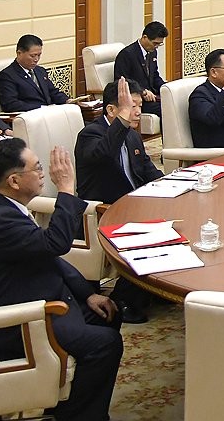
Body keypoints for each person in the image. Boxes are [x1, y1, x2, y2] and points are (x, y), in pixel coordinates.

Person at [0, 138, 123, 421]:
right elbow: (56, 244)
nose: (43, 173)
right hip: (13, 325)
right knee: (105, 343)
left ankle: (69, 408)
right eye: (36, 168)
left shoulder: (8, 207)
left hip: (42, 302)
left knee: (109, 313)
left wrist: (88, 294)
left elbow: (47, 256)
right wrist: (65, 189)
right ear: (14, 181)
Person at [74, 76, 161, 324]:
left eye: (139, 107)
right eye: (131, 106)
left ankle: (154, 287)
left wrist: (173, 185)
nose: (137, 112)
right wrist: (121, 123)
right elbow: (103, 154)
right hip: (105, 210)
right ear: (112, 109)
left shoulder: (132, 135)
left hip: (135, 204)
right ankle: (123, 300)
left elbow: (146, 169)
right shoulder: (90, 135)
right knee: (153, 233)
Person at [0, 34, 71, 112]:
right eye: (33, 56)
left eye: (39, 55)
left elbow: (53, 92)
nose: (36, 59)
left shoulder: (40, 71)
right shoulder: (7, 75)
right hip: (31, 117)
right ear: (19, 53)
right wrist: (41, 108)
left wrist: (68, 101)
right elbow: (11, 104)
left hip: (49, 114)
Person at [113, 21, 168, 118]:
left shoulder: (152, 52)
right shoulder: (127, 54)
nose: (156, 47)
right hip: (138, 100)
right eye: (155, 43)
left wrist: (167, 89)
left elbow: (155, 76)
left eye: (159, 44)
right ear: (145, 37)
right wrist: (142, 91)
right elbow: (121, 81)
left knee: (175, 104)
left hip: (153, 97)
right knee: (167, 110)